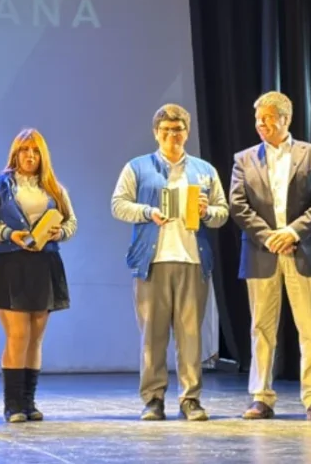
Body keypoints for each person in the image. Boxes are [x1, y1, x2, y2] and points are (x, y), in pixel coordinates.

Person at [111, 104, 229, 422]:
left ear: (186, 132)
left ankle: (190, 399)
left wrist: (206, 212)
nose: (172, 136)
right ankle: (153, 399)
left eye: (178, 130)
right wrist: (147, 211)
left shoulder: (204, 170)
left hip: (193, 261)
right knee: (152, 335)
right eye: (165, 130)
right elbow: (118, 205)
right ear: (156, 133)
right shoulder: (138, 167)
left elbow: (222, 212)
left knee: (190, 335)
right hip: (153, 262)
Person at [229, 91, 311, 421]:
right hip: (262, 253)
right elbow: (238, 205)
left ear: (285, 119)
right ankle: (261, 397)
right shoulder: (243, 159)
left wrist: (291, 233)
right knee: (261, 329)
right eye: (257, 119)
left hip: (304, 250)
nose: (260, 124)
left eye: (267, 118)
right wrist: (270, 237)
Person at [0, 128, 77, 423]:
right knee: (18, 335)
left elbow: (71, 222)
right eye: (24, 150)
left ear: (43, 155)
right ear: (15, 153)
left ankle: (29, 402)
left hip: (44, 264)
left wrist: (61, 232)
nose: (30, 156)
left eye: (35, 151)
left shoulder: (55, 188)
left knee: (35, 337)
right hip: (9, 264)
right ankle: (13, 405)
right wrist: (8, 233)